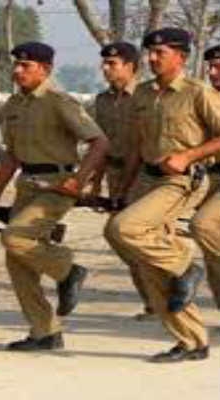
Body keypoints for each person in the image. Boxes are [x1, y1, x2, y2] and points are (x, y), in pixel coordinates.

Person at [0, 41, 109, 351]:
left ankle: (68, 270)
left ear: (45, 69)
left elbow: (99, 143)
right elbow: (11, 156)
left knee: (15, 238)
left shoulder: (59, 101)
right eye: (16, 64)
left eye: (25, 66)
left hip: (57, 185)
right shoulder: (12, 104)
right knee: (17, 261)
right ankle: (45, 332)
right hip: (26, 184)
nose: (17, 71)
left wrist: (79, 181)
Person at [105, 28, 219, 363]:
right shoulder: (142, 93)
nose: (152, 58)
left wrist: (188, 156)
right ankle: (192, 341)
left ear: (181, 57)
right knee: (146, 262)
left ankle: (185, 266)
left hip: (182, 181)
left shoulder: (197, 92)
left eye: (161, 53)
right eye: (150, 53)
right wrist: (123, 188)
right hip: (147, 179)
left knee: (124, 228)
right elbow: (138, 147)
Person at [94, 42, 155, 321]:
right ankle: (154, 302)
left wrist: (127, 186)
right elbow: (101, 143)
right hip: (114, 172)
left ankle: (165, 297)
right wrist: (96, 181)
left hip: (144, 175)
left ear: (131, 67)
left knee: (131, 234)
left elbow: (142, 146)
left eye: (112, 64)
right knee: (123, 239)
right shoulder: (102, 101)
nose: (105, 69)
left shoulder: (146, 96)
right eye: (104, 63)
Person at [188, 44, 220, 314]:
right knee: (211, 255)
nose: (212, 72)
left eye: (219, 67)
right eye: (210, 67)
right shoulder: (205, 98)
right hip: (211, 177)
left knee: (203, 225)